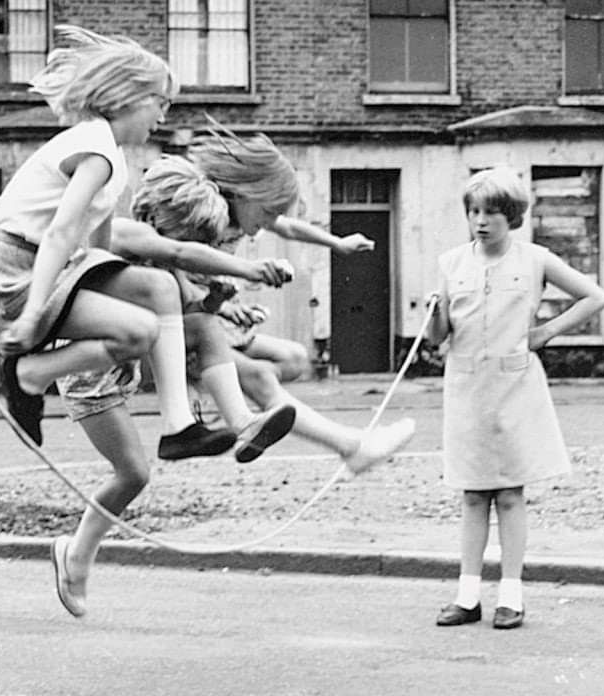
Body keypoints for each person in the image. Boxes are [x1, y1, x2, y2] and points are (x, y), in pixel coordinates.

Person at [50, 155, 408, 618]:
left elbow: (190, 296)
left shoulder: (169, 252)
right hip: (90, 373)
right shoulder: (126, 234)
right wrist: (247, 272)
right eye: (189, 238)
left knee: (208, 331)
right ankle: (75, 556)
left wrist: (218, 299)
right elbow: (178, 257)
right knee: (133, 475)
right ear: (158, 218)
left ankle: (244, 424)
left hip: (130, 354)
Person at [0, 25, 293, 463]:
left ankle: (180, 428)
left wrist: (153, 297)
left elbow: (96, 252)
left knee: (155, 296)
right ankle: (29, 373)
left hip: (46, 265)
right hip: (11, 271)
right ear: (127, 98)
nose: (163, 116)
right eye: (160, 103)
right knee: (141, 327)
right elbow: (61, 233)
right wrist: (31, 315)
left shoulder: (112, 157)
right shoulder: (95, 150)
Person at [429, 166, 604, 629]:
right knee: (471, 495)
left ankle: (512, 596)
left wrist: (546, 331)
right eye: (474, 212)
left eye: (492, 212)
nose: (482, 221)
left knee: (509, 494)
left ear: (512, 217)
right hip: (466, 388)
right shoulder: (451, 263)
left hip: (515, 388)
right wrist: (436, 312)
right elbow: (436, 338)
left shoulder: (535, 259)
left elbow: (594, 297)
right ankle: (467, 597)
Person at [178, 131, 416, 466]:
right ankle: (352, 448)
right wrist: (234, 292)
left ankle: (237, 400)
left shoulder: (241, 212)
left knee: (293, 359)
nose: (267, 223)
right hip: (188, 323)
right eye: (266, 212)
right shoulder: (203, 218)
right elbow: (175, 264)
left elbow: (287, 227)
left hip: (215, 317)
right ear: (246, 194)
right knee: (260, 378)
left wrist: (337, 243)